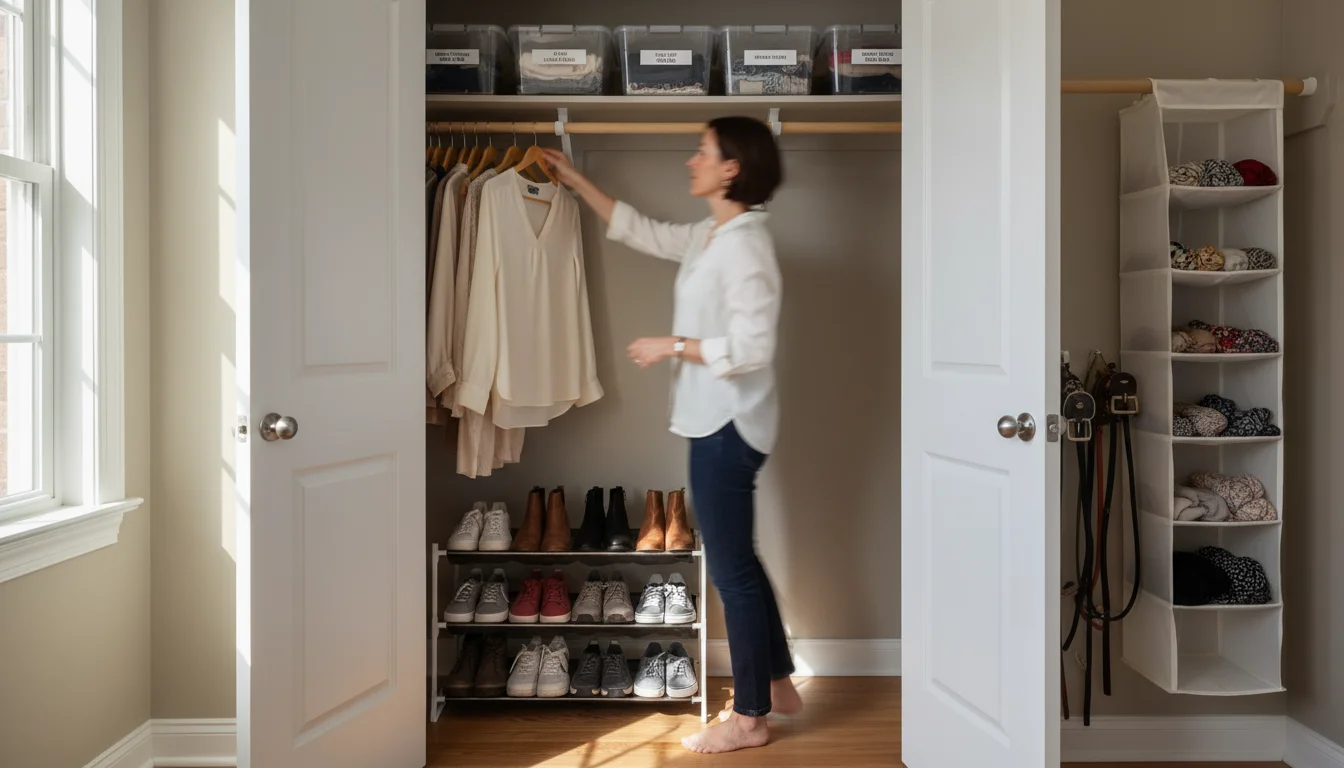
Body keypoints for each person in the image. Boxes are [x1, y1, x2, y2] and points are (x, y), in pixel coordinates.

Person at [540, 116, 800, 755]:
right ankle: (779, 684)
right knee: (742, 559)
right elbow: (643, 231)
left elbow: (753, 346)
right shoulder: (715, 234)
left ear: (732, 167)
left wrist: (674, 345)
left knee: (731, 570)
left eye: (703, 152)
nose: (692, 161)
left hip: (727, 424)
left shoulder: (744, 246)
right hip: (716, 420)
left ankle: (750, 720)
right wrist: (575, 179)